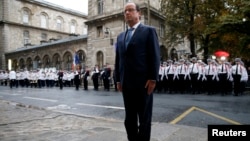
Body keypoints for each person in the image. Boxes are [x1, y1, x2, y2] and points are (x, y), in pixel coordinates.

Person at [115, 2, 160, 141]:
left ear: (138, 13)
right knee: (129, 119)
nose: (127, 13)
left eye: (130, 10)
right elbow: (119, 60)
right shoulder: (121, 36)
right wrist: (117, 79)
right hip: (126, 84)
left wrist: (153, 78)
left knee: (144, 118)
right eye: (125, 11)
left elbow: (155, 56)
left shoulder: (148, 31)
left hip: (144, 83)